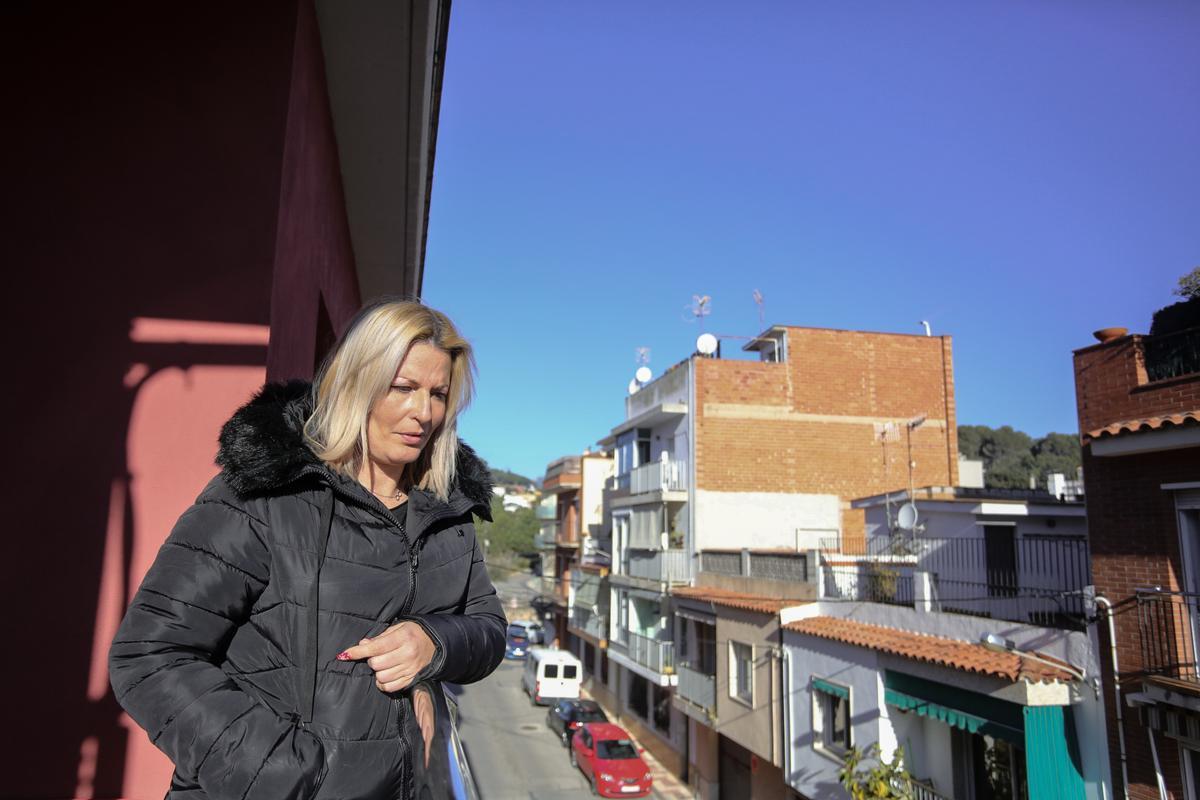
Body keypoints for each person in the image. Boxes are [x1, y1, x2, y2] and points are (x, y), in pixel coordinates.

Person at [109, 299, 506, 799]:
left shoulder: (449, 511)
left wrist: (436, 641)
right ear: (357, 382)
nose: (422, 413)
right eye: (403, 388)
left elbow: (489, 628)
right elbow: (149, 653)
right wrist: (276, 773)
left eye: (438, 394)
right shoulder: (266, 492)